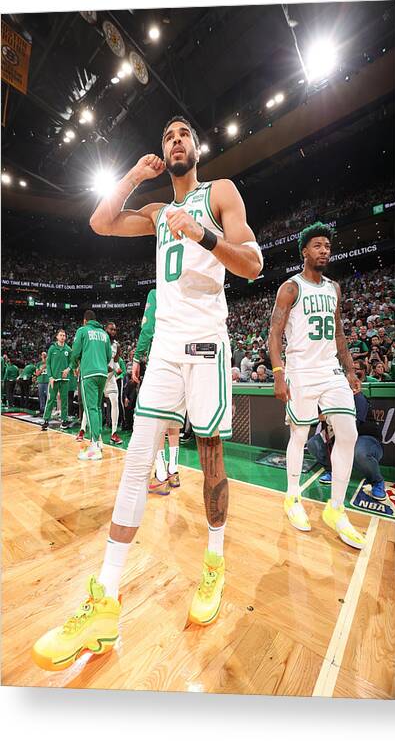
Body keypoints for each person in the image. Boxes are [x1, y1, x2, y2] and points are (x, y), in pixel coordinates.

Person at [33, 115, 262, 671]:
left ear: (198, 146)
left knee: (211, 458)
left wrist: (202, 232)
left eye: (184, 133)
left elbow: (253, 265)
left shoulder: (221, 193)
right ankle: (105, 602)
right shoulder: (157, 212)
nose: (176, 140)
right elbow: (100, 220)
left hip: (208, 343)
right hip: (164, 347)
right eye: (167, 136)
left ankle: (214, 560)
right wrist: (134, 174)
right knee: (136, 460)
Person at [268, 221, 365, 548]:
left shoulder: (334, 288)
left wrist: (349, 369)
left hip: (330, 370)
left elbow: (339, 332)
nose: (325, 251)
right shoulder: (291, 288)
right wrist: (279, 372)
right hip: (301, 371)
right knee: (300, 434)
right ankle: (292, 496)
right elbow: (274, 333)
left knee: (348, 433)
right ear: (304, 252)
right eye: (318, 246)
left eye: (327, 246)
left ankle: (336, 508)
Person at [132, 288, 181, 495]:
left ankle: (160, 475)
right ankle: (174, 471)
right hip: (185, 358)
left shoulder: (158, 292)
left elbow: (148, 328)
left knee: (156, 418)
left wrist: (137, 356)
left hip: (162, 360)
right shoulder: (185, 289)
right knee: (174, 421)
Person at [308, 393, 386, 501]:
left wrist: (328, 418)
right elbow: (312, 422)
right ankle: (331, 471)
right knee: (313, 443)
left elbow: (354, 425)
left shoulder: (358, 398)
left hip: (366, 438)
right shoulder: (325, 399)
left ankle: (377, 481)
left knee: (359, 451)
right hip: (339, 438)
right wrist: (316, 416)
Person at [68, 310, 112, 461]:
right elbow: (108, 356)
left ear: (85, 321)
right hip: (102, 373)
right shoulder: (105, 334)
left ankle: (94, 446)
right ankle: (98, 441)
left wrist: (74, 365)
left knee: (90, 408)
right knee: (98, 408)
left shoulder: (82, 330)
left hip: (89, 374)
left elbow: (75, 352)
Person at [41, 330, 72, 431]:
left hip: (64, 379)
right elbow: (48, 364)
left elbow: (72, 362)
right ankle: (46, 420)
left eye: (64, 335)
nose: (63, 337)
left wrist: (68, 369)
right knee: (50, 400)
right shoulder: (52, 348)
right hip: (53, 379)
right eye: (61, 335)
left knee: (64, 401)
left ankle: (64, 421)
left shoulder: (68, 349)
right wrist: (50, 377)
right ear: (57, 337)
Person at [35, 352, 49, 417]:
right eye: (42, 355)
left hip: (47, 381)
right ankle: (42, 409)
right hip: (40, 381)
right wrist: (42, 368)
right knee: (41, 396)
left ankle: (48, 410)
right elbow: (37, 374)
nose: (44, 356)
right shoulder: (38, 364)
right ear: (41, 356)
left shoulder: (49, 363)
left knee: (48, 396)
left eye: (45, 354)